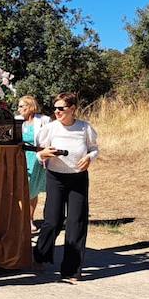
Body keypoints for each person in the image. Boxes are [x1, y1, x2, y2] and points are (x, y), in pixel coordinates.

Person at [34, 92, 100, 282]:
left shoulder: (84, 128)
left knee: (76, 222)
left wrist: (89, 157)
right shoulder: (50, 128)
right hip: (55, 177)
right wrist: (44, 154)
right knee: (53, 221)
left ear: (72, 109)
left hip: (78, 178)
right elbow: (39, 153)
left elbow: (94, 148)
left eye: (61, 108)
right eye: (55, 108)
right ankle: (40, 255)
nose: (57, 112)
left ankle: (72, 270)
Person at [18, 95, 50, 227]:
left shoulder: (43, 120)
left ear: (30, 107)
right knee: (20, 188)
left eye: (21, 106)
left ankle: (29, 219)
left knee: (32, 189)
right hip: (20, 157)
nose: (18, 109)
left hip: (35, 158)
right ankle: (20, 218)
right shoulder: (18, 121)